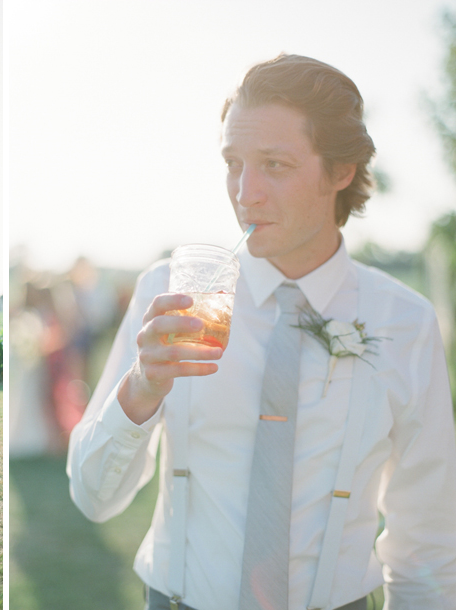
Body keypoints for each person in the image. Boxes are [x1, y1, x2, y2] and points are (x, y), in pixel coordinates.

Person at [67, 55, 456, 609]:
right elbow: (93, 499)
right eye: (233, 162)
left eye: (274, 165)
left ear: (340, 171)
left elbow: (429, 543)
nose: (244, 193)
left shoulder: (406, 322)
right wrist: (141, 391)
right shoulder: (169, 293)